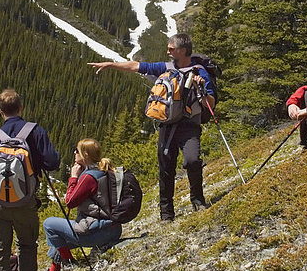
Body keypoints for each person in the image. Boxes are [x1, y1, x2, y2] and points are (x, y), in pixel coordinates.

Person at [88, 33, 216, 221]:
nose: (167, 51)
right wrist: (110, 65)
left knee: (192, 160)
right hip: (167, 126)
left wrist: (202, 87)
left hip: (189, 126)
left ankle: (197, 200)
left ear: (182, 50)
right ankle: (166, 214)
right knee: (165, 169)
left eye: (171, 48)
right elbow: (135, 66)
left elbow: (210, 104)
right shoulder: (165, 67)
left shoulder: (199, 72)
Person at [0, 88, 60, 271]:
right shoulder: (35, 131)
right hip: (25, 202)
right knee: (27, 247)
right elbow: (52, 162)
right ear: (21, 107)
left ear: (0, 110)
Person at [43, 138, 122, 271]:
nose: (74, 153)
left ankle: (69, 264)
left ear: (85, 155)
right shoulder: (104, 171)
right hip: (113, 229)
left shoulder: (88, 178)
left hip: (98, 232)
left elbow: (70, 202)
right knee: (57, 243)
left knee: (49, 224)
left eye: (76, 151)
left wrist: (73, 177)